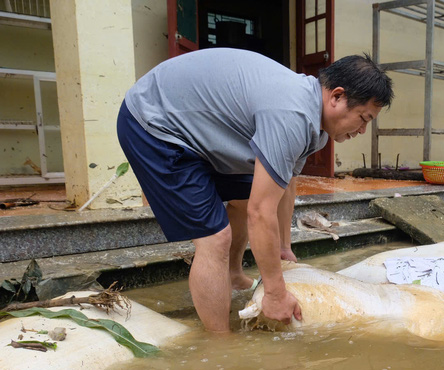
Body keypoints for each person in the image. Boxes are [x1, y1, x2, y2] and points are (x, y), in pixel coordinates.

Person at [117, 49, 393, 332]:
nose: (362, 130)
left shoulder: (316, 126)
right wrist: (274, 293)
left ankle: (234, 274)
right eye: (364, 118)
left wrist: (284, 248)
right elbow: (260, 213)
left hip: (192, 126)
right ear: (337, 96)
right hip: (153, 123)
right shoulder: (292, 114)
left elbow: (284, 186)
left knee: (252, 194)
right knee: (215, 238)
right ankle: (220, 347)